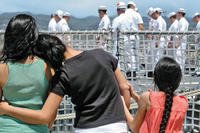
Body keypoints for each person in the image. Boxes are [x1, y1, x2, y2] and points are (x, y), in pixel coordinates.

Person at [0, 34, 132, 132]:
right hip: (116, 126)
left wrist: (7, 109)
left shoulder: (62, 75)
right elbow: (124, 87)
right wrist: (122, 116)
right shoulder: (101, 55)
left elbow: (45, 115)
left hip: (85, 128)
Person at [0, 14, 54, 133]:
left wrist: (7, 109)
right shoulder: (47, 67)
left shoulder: (2, 68)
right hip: (37, 128)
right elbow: (50, 118)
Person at [122, 57, 188, 133]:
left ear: (155, 79)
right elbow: (160, 106)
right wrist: (135, 96)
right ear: (178, 80)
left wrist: (122, 102)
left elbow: (134, 127)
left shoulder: (147, 97)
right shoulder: (183, 103)